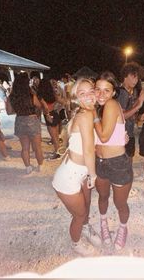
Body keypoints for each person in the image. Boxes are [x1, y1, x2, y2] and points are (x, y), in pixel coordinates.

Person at [52, 78, 101, 256]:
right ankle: (76, 243)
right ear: (76, 98)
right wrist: (93, 175)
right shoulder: (84, 115)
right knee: (79, 215)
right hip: (69, 177)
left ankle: (86, 228)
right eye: (82, 93)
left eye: (91, 91)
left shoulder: (84, 112)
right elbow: (88, 150)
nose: (88, 96)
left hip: (80, 172)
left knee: (86, 205)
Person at [93, 72, 133, 250]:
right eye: (98, 90)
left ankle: (123, 228)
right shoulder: (100, 108)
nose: (101, 94)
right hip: (100, 162)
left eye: (106, 90)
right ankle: (103, 224)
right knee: (102, 197)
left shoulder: (110, 104)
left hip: (117, 163)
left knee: (120, 203)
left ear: (113, 93)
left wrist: (93, 114)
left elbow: (103, 136)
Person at [7, 72, 44, 174]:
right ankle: (40, 165)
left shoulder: (11, 96)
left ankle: (28, 167)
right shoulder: (31, 94)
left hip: (20, 121)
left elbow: (9, 112)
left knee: (25, 148)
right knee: (37, 147)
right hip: (32, 119)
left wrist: (19, 109)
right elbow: (39, 105)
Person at [116, 62, 144, 159]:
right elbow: (122, 116)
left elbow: (131, 110)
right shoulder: (121, 93)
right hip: (121, 134)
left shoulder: (133, 91)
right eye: (133, 76)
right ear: (125, 75)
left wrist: (138, 100)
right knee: (123, 161)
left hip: (130, 132)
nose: (136, 80)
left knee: (129, 158)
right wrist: (139, 104)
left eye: (137, 78)